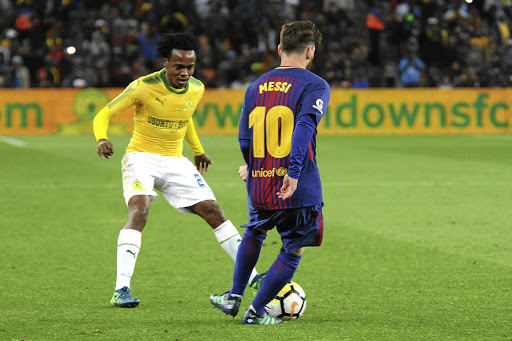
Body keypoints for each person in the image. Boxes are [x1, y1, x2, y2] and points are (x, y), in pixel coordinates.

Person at [92, 32, 261, 308]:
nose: (185, 72)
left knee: (214, 211)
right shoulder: (142, 87)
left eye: (190, 67)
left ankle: (252, 277)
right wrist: (102, 138)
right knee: (140, 211)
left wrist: (197, 150)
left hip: (174, 160)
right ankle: (121, 288)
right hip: (141, 157)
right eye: (179, 66)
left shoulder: (196, 88)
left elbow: (185, 118)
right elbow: (104, 114)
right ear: (166, 62)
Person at [210, 20, 330, 325]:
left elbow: (244, 138)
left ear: (279, 48)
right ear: (310, 51)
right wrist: (292, 171)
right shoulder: (315, 85)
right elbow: (304, 126)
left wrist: (253, 167)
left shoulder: (255, 86)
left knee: (255, 231)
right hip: (297, 186)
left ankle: (234, 296)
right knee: (293, 249)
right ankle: (256, 311)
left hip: (261, 184)